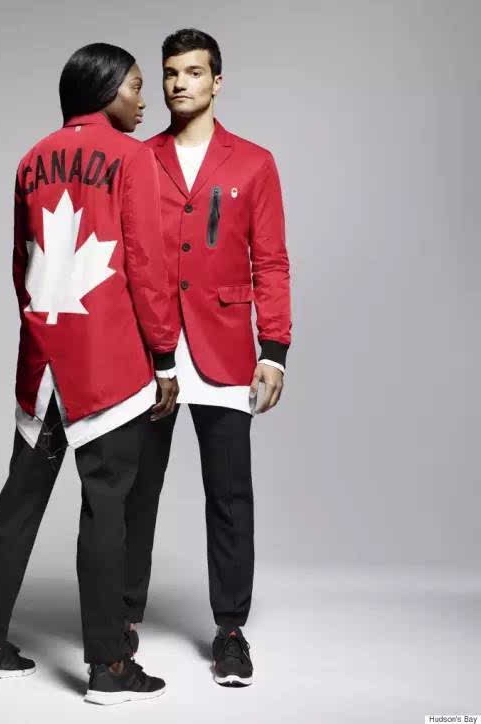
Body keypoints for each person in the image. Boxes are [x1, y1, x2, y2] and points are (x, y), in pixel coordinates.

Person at [0, 43, 180, 706]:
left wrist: (42, 335)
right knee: (106, 506)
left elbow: (20, 264)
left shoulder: (31, 159)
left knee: (19, 502)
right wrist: (164, 357)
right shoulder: (132, 158)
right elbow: (146, 266)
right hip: (108, 364)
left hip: (43, 360)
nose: (144, 100)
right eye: (136, 86)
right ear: (106, 89)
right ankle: (109, 666)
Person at [121, 28, 293, 687]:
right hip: (152, 352)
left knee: (228, 495)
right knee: (138, 492)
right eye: (171, 73)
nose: (179, 83)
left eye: (193, 72)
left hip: (224, 348)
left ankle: (230, 630)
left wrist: (274, 349)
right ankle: (122, 618)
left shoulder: (254, 163)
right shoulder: (138, 160)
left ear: (217, 82)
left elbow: (271, 261)